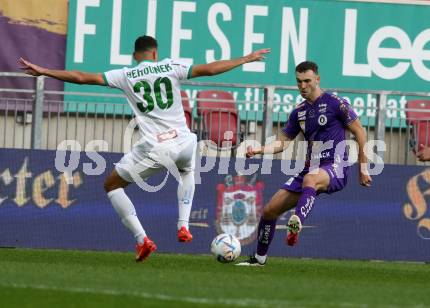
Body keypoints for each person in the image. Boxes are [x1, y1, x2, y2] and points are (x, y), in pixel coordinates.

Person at [19, 35, 270, 262]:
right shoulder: (171, 66)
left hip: (156, 147)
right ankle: (183, 225)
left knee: (112, 185)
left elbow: (84, 78)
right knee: (186, 171)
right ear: (154, 53)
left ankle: (142, 240)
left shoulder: (126, 75)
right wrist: (246, 58)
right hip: (185, 142)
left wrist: (45, 71)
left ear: (135, 54)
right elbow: (210, 69)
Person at [237, 61, 372, 266]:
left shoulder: (336, 103)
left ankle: (296, 223)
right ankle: (259, 259)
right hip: (311, 168)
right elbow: (282, 143)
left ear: (317, 80)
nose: (302, 86)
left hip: (336, 166)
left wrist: (363, 168)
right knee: (269, 211)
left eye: (307, 81)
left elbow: (360, 132)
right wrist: (259, 149)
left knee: (311, 178)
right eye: (299, 81)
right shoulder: (299, 112)